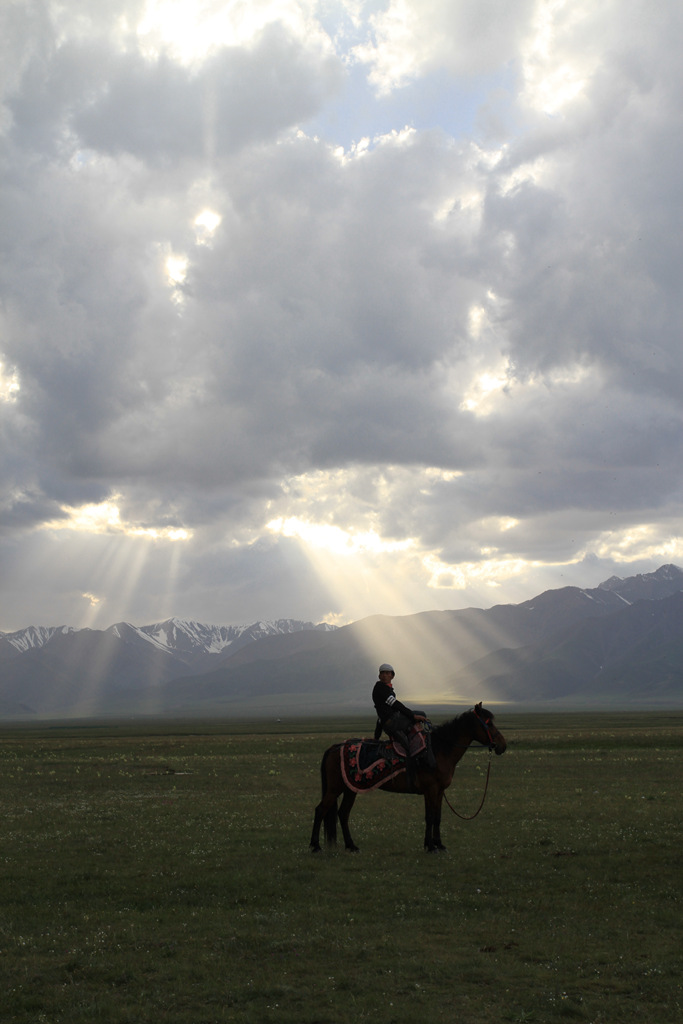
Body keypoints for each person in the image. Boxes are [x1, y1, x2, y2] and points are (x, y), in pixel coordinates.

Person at [372, 663, 421, 786]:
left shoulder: (387, 689)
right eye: (383, 673)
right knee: (419, 717)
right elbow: (394, 704)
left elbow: (380, 715)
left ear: (392, 676)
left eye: (388, 673)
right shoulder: (380, 688)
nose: (385, 675)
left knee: (418, 716)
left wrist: (376, 736)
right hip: (392, 722)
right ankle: (412, 773)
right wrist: (412, 716)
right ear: (379, 675)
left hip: (391, 721)